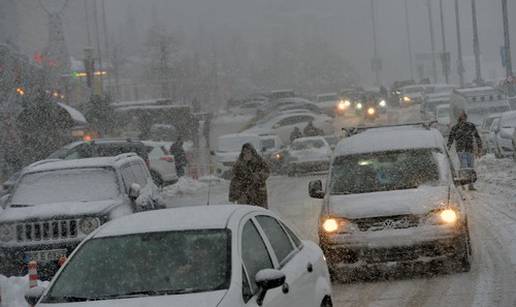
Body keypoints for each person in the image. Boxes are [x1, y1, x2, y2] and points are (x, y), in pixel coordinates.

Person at [447, 111, 482, 190]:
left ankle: (470, 185)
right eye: (461, 118)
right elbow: (450, 139)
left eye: (464, 117)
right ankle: (463, 182)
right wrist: (447, 148)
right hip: (460, 150)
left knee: (471, 167)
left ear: (466, 118)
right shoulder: (455, 128)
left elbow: (477, 137)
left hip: (469, 149)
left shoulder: (471, 126)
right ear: (459, 120)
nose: (463, 120)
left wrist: (479, 147)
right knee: (465, 166)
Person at [229, 143, 270, 208]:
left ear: (252, 152)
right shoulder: (239, 164)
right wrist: (233, 196)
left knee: (259, 212)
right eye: (244, 153)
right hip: (243, 194)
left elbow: (267, 171)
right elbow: (234, 180)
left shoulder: (259, 161)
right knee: (245, 213)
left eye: (248, 152)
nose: (246, 154)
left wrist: (258, 176)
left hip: (259, 194)